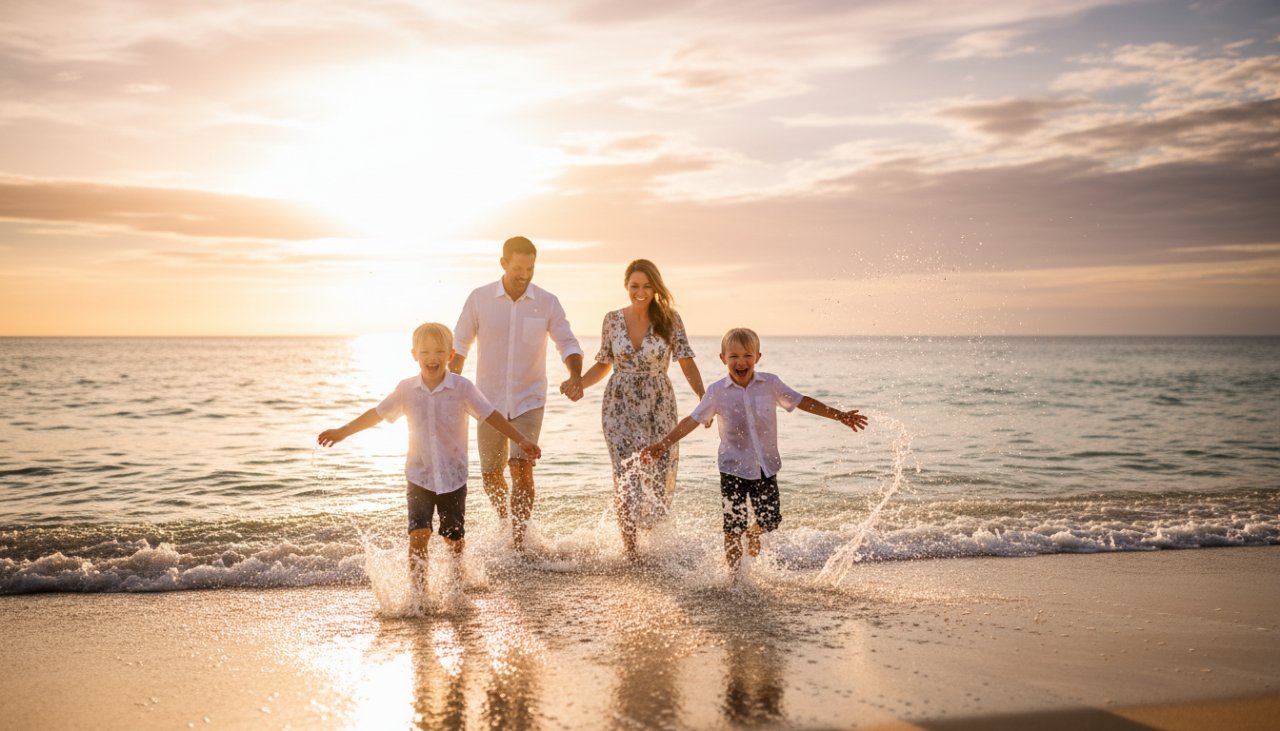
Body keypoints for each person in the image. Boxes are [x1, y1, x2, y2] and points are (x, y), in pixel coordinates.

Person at [317, 322, 541, 592]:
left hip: (453, 478)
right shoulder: (406, 389)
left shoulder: (462, 388)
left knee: (453, 539)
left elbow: (490, 414)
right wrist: (343, 431)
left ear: (450, 355)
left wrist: (521, 439)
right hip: (419, 476)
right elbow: (377, 413)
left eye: (438, 352)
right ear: (414, 355)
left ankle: (458, 585)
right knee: (418, 535)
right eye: (424, 352)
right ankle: (419, 596)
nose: (431, 358)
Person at [641, 327, 868, 572]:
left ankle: (754, 533)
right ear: (723, 359)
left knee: (770, 521)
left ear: (758, 357)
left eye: (747, 355)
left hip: (765, 466)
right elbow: (693, 420)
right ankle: (735, 580)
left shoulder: (770, 383)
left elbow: (803, 401)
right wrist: (663, 444)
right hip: (732, 469)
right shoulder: (717, 391)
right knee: (732, 528)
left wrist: (839, 415)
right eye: (734, 356)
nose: (741, 362)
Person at [450, 236, 584, 551]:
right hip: (487, 401)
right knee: (490, 476)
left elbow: (567, 342)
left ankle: (519, 543)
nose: (524, 275)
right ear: (503, 264)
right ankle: (505, 523)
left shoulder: (547, 302)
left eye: (530, 268)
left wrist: (575, 375)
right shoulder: (479, 299)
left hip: (529, 399)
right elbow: (459, 345)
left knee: (521, 467)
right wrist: (448, 388)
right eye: (518, 268)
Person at [579, 259, 705, 560]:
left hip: (658, 403)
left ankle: (654, 544)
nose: (640, 291)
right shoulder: (611, 319)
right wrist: (579, 384)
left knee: (657, 472)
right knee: (625, 473)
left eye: (647, 286)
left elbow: (685, 361)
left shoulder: (670, 320)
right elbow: (604, 362)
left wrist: (704, 397)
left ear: (655, 288)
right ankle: (631, 550)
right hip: (618, 404)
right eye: (635, 286)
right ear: (626, 286)